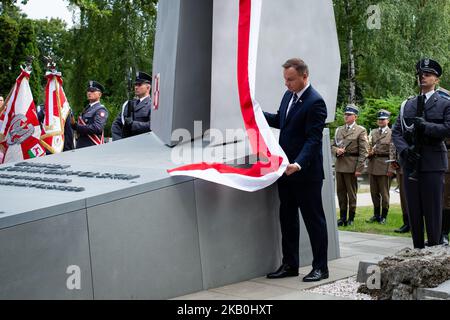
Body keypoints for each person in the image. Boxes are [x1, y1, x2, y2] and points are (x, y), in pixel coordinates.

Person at [264, 58, 329, 282]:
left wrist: (298, 164)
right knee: (288, 218)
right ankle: (290, 264)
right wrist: (256, 113)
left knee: (314, 220)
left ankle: (321, 267)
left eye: (290, 79)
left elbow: (313, 140)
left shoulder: (316, 102)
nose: (287, 84)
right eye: (285, 79)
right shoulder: (288, 97)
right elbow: (281, 121)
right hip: (285, 170)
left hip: (305, 173)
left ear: (304, 76)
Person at [392, 58, 450, 248]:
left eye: (428, 74)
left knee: (433, 210)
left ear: (436, 79)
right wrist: (404, 150)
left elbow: (448, 128)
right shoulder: (407, 104)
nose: (423, 77)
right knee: (413, 209)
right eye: (420, 74)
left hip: (433, 162)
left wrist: (426, 127)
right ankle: (417, 247)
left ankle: (434, 247)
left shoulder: (444, 103)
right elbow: (397, 131)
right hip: (411, 163)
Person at [332, 105, 369, 226]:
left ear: (355, 117)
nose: (346, 116)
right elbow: (332, 145)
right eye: (345, 114)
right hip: (340, 164)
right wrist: (336, 150)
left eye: (349, 115)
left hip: (352, 165)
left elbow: (364, 151)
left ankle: (351, 218)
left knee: (351, 193)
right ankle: (342, 217)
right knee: (340, 192)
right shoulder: (339, 130)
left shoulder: (360, 130)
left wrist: (359, 168)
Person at [366, 110, 395, 224]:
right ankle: (376, 215)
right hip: (373, 164)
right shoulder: (373, 132)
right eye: (379, 119)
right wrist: (368, 153)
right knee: (374, 193)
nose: (380, 121)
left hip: (385, 165)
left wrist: (391, 169)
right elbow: (368, 146)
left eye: (383, 119)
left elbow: (393, 152)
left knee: (384, 193)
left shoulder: (392, 133)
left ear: (388, 120)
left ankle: (384, 216)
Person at [111, 71, 152, 141]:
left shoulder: (151, 104)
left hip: (143, 144)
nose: (136, 87)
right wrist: (119, 142)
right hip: (126, 144)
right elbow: (116, 124)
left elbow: (152, 126)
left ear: (148, 87)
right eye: (135, 85)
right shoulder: (129, 104)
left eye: (139, 85)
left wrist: (133, 124)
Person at [71, 81, 109, 149]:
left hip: (92, 146)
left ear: (99, 94)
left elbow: (97, 128)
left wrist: (77, 127)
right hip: (82, 145)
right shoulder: (87, 108)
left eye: (92, 91)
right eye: (88, 91)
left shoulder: (101, 110)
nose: (89, 93)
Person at [390, 141, 410, 233]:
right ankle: (407, 223)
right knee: (403, 196)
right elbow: (393, 144)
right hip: (400, 165)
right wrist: (393, 160)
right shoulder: (398, 126)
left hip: (416, 164)